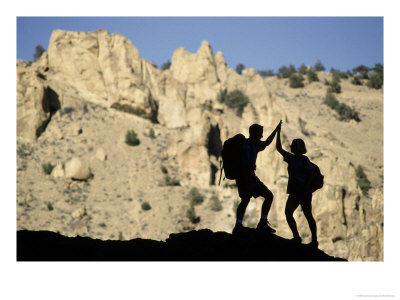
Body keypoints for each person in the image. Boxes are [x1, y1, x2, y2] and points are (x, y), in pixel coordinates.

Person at [232, 121, 282, 235]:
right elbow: (242, 164)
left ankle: (259, 223)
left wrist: (276, 130)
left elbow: (267, 142)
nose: (261, 136)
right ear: (254, 133)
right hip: (245, 177)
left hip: (250, 177)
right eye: (260, 133)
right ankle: (240, 225)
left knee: (267, 196)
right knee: (247, 199)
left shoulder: (255, 145)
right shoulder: (246, 146)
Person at [275, 121, 318, 247]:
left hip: (303, 191)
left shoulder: (304, 160)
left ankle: (314, 240)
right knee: (289, 213)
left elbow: (310, 174)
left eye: (293, 145)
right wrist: (278, 132)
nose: (291, 147)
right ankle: (297, 237)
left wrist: (306, 188)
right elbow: (279, 148)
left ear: (298, 147)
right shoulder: (291, 158)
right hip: (295, 191)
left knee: (307, 215)